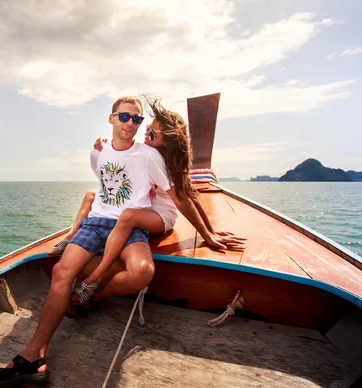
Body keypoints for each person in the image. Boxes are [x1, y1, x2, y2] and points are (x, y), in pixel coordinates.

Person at [0, 95, 239, 388]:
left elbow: (180, 196)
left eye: (137, 119)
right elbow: (104, 185)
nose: (132, 123)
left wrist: (207, 235)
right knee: (61, 272)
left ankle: (91, 293)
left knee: (143, 272)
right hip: (97, 223)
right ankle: (33, 355)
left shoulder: (150, 156)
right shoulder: (99, 152)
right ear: (111, 118)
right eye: (125, 117)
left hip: (130, 226)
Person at [52, 97, 245, 307]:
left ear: (166, 141)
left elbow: (186, 199)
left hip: (160, 214)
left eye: (151, 134)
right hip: (143, 207)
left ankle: (95, 283)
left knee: (128, 216)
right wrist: (105, 145)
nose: (144, 134)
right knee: (92, 194)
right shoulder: (144, 154)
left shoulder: (166, 163)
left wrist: (208, 233)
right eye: (146, 129)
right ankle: (70, 237)